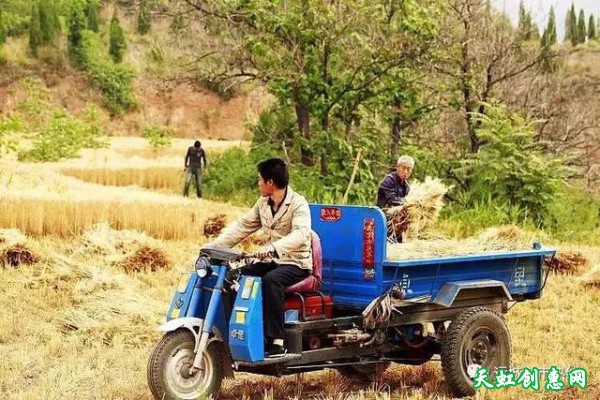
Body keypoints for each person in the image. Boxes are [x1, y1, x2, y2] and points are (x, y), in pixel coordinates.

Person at [210, 158, 312, 357]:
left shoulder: (298, 204)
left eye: (259, 180)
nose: (258, 183)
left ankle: (276, 340)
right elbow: (242, 226)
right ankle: (239, 331)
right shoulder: (263, 203)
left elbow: (302, 235)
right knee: (233, 276)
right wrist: (214, 247)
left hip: (295, 262)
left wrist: (273, 248)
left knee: (270, 281)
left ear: (270, 183)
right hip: (272, 261)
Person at [376, 155, 414, 243]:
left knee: (398, 246)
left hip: (398, 223)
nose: (405, 171)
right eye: (403, 168)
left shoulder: (407, 186)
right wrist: (409, 202)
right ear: (397, 167)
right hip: (384, 220)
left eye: (409, 169)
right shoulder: (388, 180)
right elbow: (391, 200)